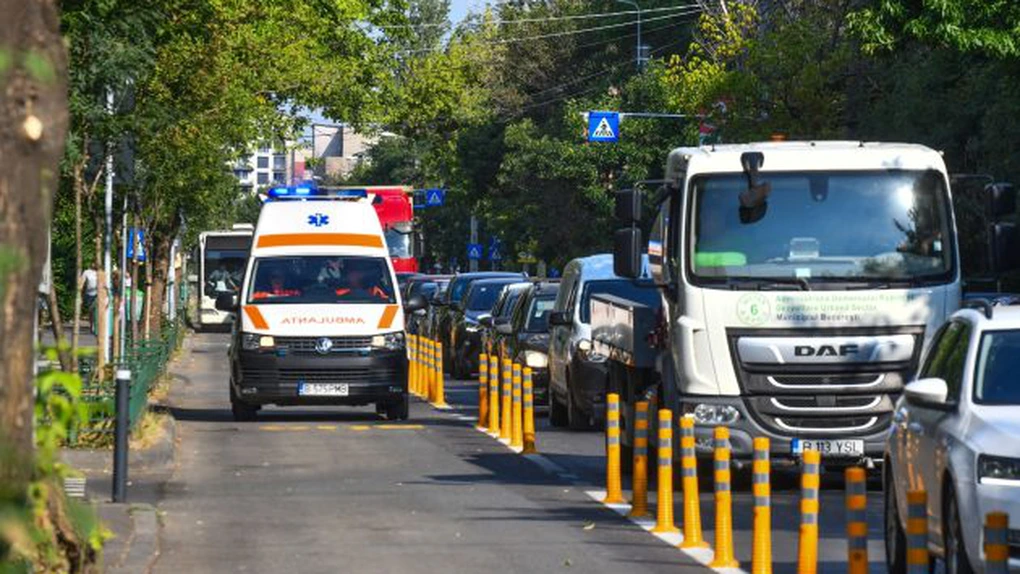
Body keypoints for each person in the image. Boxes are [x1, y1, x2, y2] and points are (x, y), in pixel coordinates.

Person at [80, 266, 99, 333]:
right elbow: (82, 282)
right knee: (91, 310)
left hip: (98, 294)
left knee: (97, 310)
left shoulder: (100, 271)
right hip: (89, 294)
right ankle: (92, 325)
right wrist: (80, 293)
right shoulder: (86, 272)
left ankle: (97, 326)